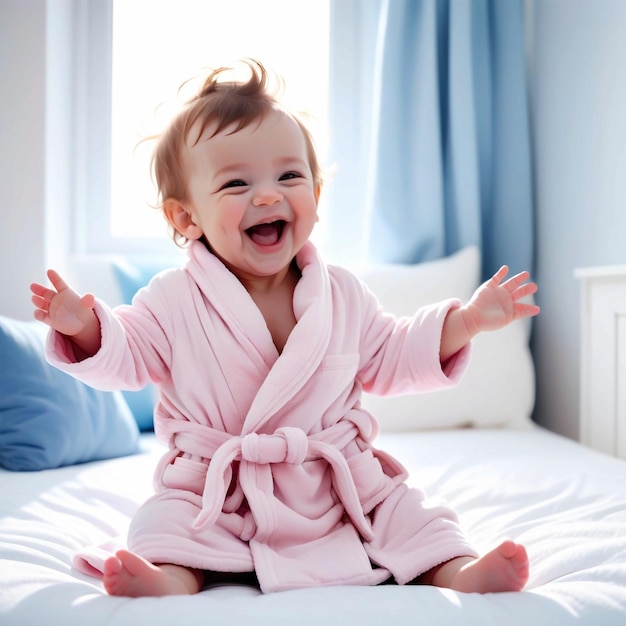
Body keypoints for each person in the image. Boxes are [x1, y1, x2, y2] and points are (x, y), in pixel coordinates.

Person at [30, 59, 539, 598]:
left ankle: (456, 569)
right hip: (220, 486)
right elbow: (127, 352)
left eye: (289, 176)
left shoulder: (341, 293)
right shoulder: (173, 299)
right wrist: (84, 326)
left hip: (335, 480)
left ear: (315, 197)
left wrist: (464, 323)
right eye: (236, 183)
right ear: (186, 219)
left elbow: (393, 355)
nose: (269, 195)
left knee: (409, 511)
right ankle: (172, 575)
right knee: (166, 521)